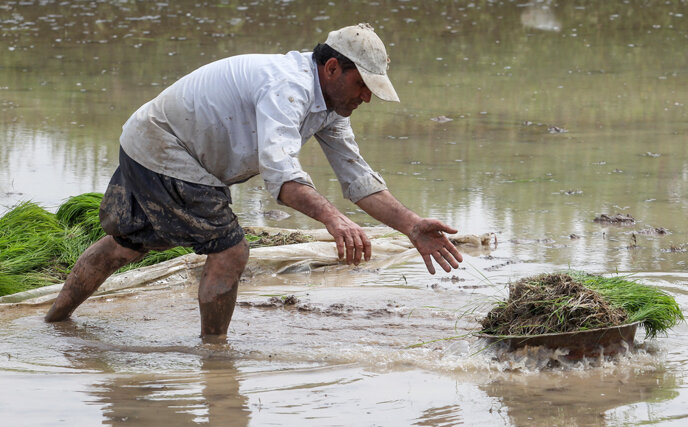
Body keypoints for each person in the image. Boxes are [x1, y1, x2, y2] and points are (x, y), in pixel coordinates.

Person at [45, 23, 463, 337]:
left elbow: (359, 179)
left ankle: (54, 321)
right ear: (332, 67)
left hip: (165, 149)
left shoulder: (330, 107)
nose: (367, 97)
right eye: (362, 85)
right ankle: (215, 358)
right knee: (231, 251)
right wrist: (334, 220)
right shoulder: (288, 87)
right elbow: (282, 179)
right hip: (165, 147)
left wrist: (411, 225)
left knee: (126, 246)